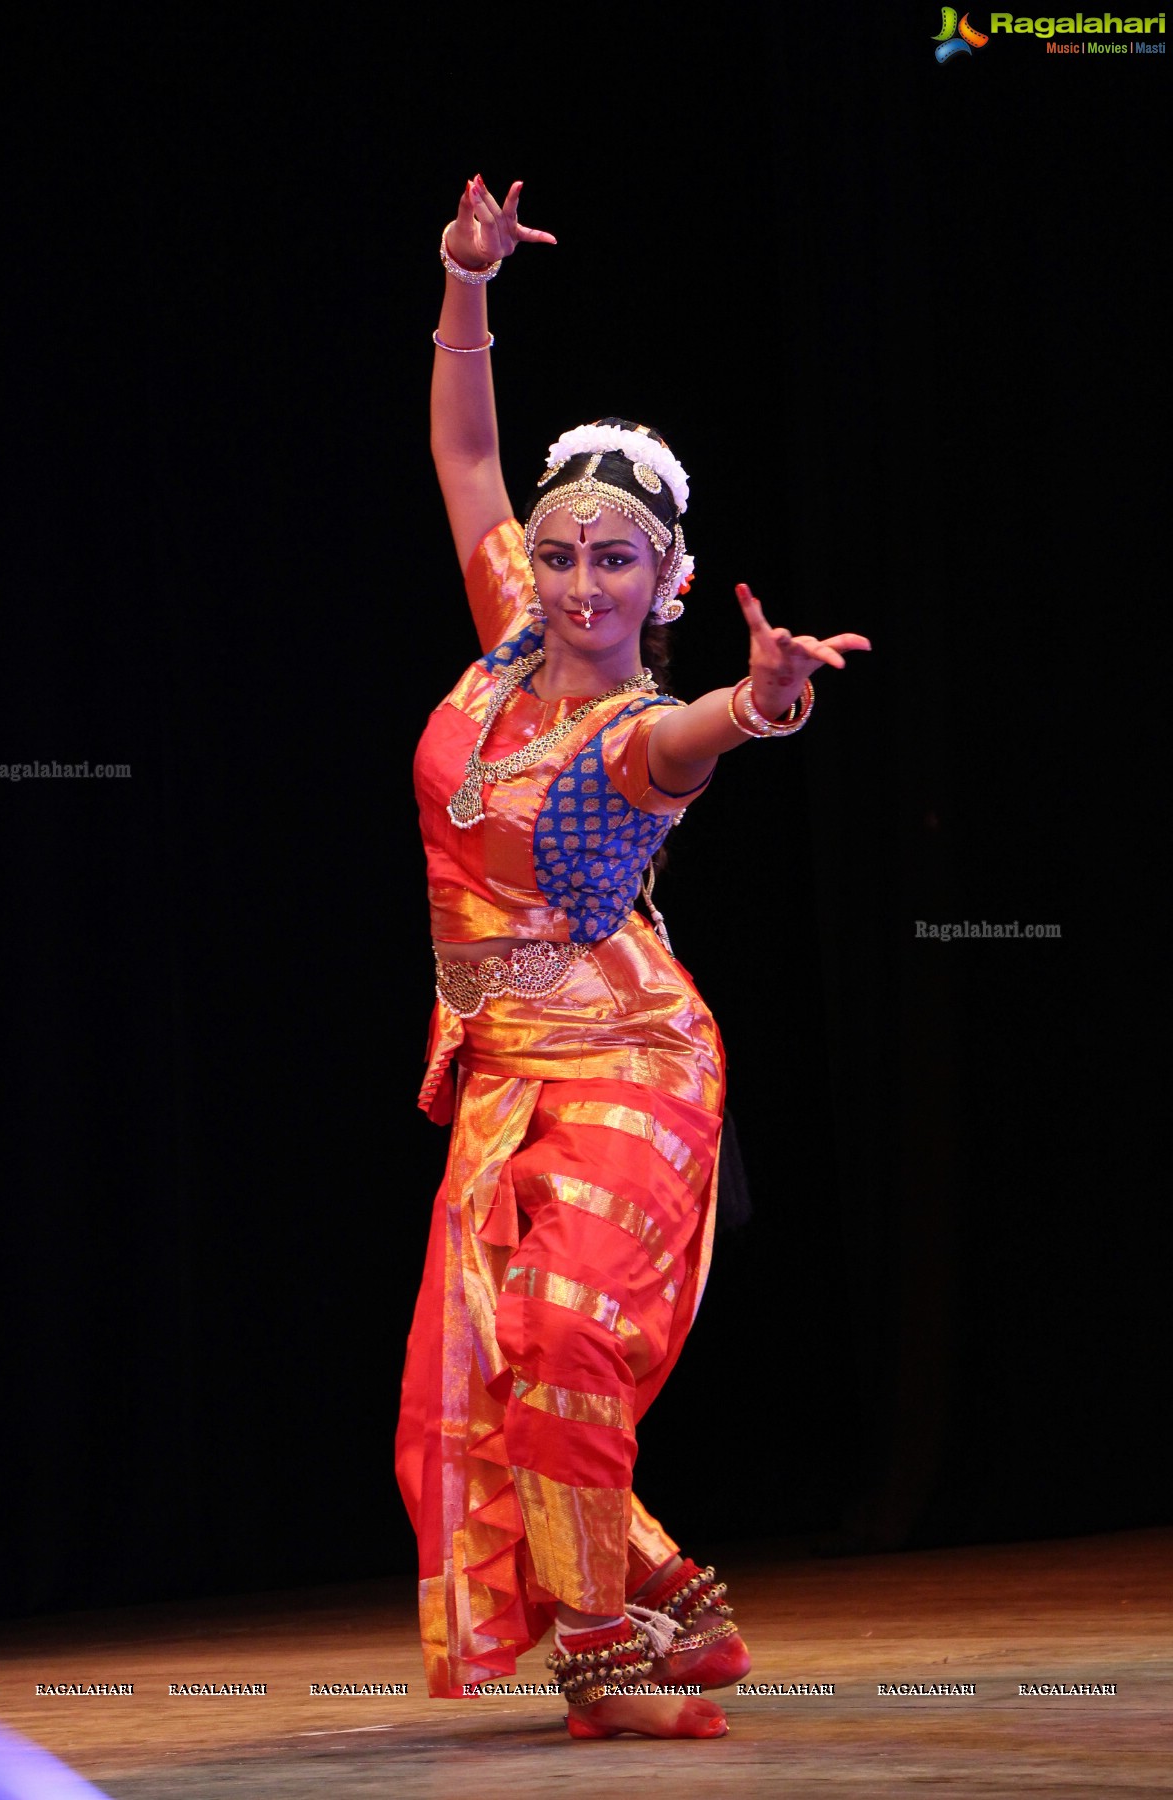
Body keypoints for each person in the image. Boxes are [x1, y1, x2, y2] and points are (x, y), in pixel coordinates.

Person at [395, 172, 870, 1742]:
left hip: (629, 1062)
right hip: (497, 1070)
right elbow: (469, 446)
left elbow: (700, 736)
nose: (581, 583)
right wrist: (470, 286)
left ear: (668, 583)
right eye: (560, 553)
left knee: (564, 1329)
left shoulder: (624, 735)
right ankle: (663, 1593)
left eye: (616, 563)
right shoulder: (507, 635)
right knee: (480, 1377)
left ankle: (605, 1651)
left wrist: (766, 703)